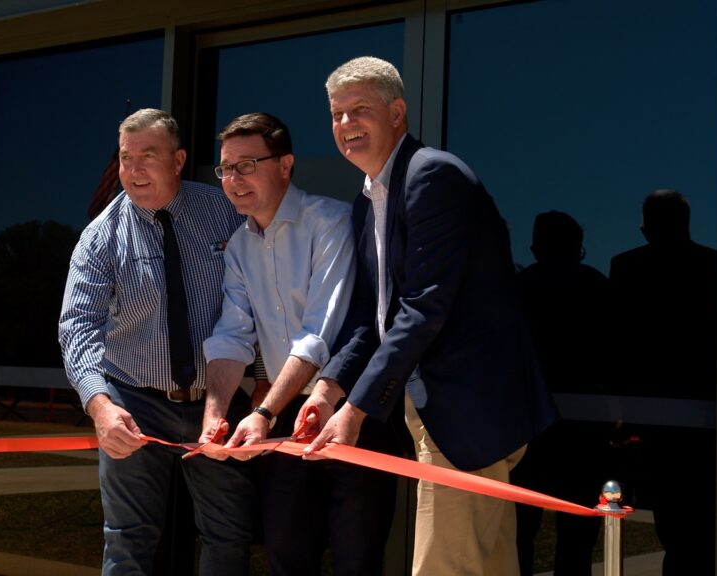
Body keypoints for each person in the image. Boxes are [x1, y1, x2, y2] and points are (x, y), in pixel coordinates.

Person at [301, 56, 558, 576]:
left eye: (360, 110)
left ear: (397, 113)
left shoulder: (431, 175)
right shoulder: (367, 198)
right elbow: (368, 317)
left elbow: (423, 308)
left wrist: (354, 413)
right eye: (336, 114)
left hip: (466, 410)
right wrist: (327, 391)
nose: (346, 125)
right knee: (486, 564)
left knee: (446, 567)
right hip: (450, 410)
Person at [200, 112, 406, 575]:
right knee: (286, 556)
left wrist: (262, 412)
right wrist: (215, 414)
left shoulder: (331, 221)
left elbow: (321, 332)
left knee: (357, 561)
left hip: (351, 411)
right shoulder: (237, 248)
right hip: (281, 419)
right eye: (226, 168)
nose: (233, 180)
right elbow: (232, 338)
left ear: (287, 164)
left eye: (248, 164)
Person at [58, 108, 254, 576]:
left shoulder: (223, 212)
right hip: (134, 403)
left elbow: (259, 296)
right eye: (126, 158)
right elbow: (77, 327)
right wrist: (100, 407)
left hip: (218, 402)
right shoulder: (100, 237)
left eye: (148, 155)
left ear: (179, 159)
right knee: (127, 541)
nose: (134, 169)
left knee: (229, 536)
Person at [609, 188, 717, 576]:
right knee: (700, 509)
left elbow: (618, 342)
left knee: (670, 509)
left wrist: (619, 409)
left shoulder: (626, 268)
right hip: (702, 409)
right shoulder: (713, 266)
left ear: (645, 227)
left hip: (653, 409)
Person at [512, 211, 609, 576]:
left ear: (537, 246)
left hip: (528, 424)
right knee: (576, 534)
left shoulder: (517, 290)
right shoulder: (597, 286)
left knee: (520, 528)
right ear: (577, 245)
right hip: (584, 426)